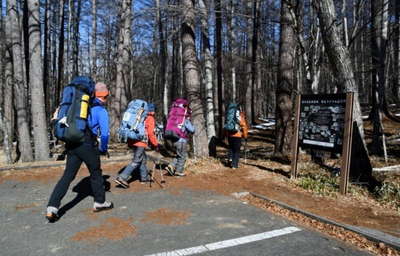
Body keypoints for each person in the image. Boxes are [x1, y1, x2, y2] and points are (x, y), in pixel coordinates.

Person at [46, 80, 113, 222]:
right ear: (104, 96)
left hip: (72, 143)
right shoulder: (101, 111)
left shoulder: (82, 106)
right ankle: (100, 202)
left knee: (67, 176)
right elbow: (105, 133)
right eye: (106, 96)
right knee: (96, 173)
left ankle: (52, 207)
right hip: (87, 144)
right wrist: (103, 148)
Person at [114, 103, 159, 188]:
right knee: (137, 160)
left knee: (142, 159)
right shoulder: (150, 118)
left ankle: (144, 178)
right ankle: (122, 177)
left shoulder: (138, 115)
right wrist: (155, 144)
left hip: (132, 140)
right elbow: (150, 133)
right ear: (153, 111)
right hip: (140, 142)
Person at [165, 103, 195, 177]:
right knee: (183, 157)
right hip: (182, 141)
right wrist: (193, 126)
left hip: (174, 140)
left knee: (179, 155)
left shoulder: (175, 119)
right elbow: (192, 130)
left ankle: (171, 166)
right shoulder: (185, 120)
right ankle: (178, 171)